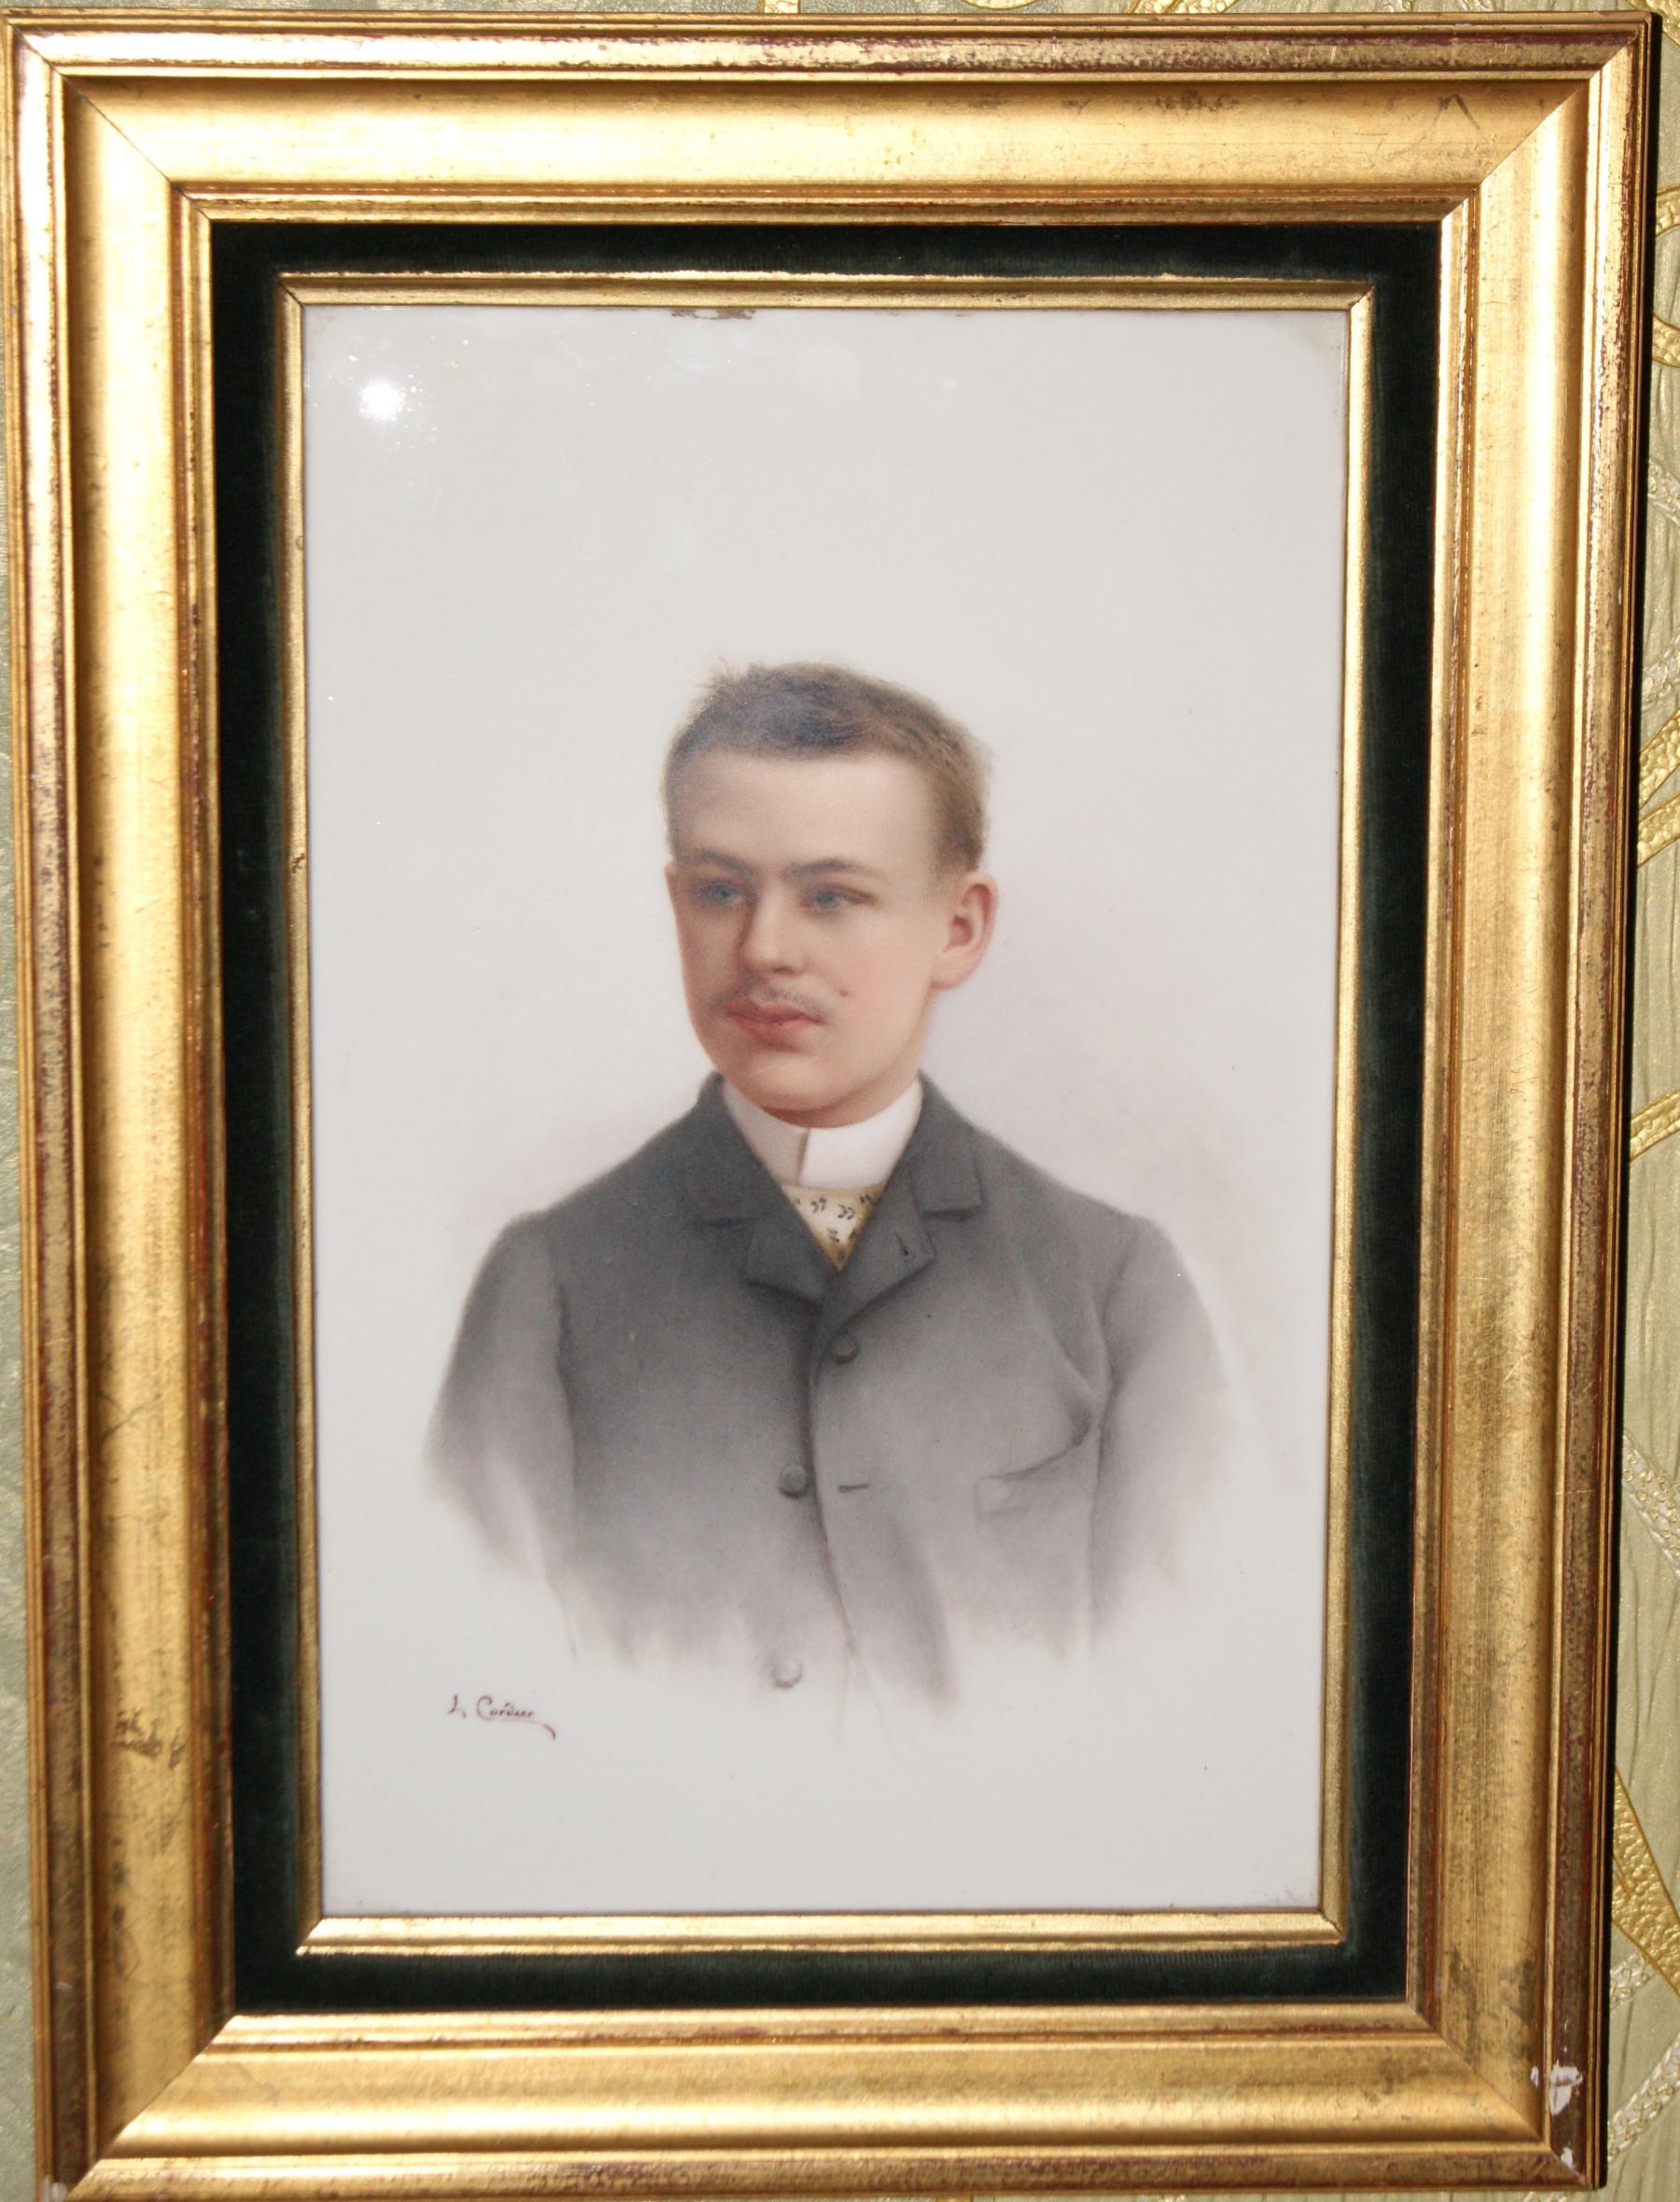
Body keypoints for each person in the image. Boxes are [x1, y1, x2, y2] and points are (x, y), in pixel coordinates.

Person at [428, 662, 1227, 1707]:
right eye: (721, 891)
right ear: (675, 903)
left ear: (959, 927)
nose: (763, 949)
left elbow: (1167, 1693)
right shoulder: (548, 1284)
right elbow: (483, 1663)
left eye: (830, 897)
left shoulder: (1116, 1284)